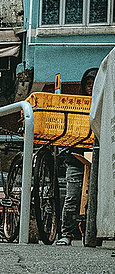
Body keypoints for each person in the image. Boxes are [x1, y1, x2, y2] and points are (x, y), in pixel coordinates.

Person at [58, 66, 98, 246]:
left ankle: (93, 233)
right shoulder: (77, 104)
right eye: (87, 83)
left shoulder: (106, 104)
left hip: (98, 159)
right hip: (75, 158)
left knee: (95, 198)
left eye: (93, 83)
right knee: (72, 197)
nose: (90, 86)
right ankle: (66, 233)